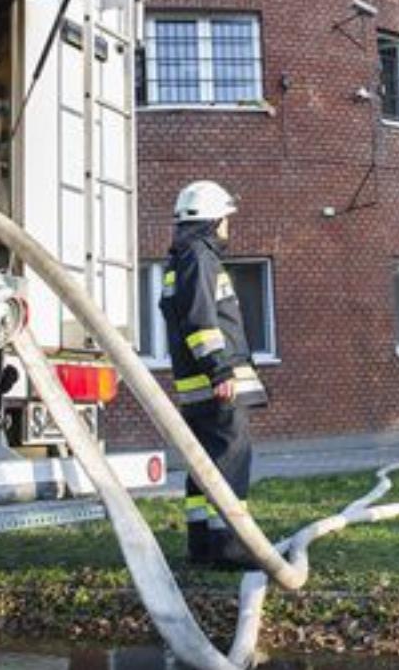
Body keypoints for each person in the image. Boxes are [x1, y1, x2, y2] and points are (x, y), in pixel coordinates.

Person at [160, 180, 269, 567]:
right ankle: (231, 547)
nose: (228, 229)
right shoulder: (199, 257)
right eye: (226, 220)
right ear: (212, 221)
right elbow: (201, 321)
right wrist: (220, 370)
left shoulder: (181, 258)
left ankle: (202, 546)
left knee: (204, 466)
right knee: (229, 461)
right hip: (217, 385)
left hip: (197, 389)